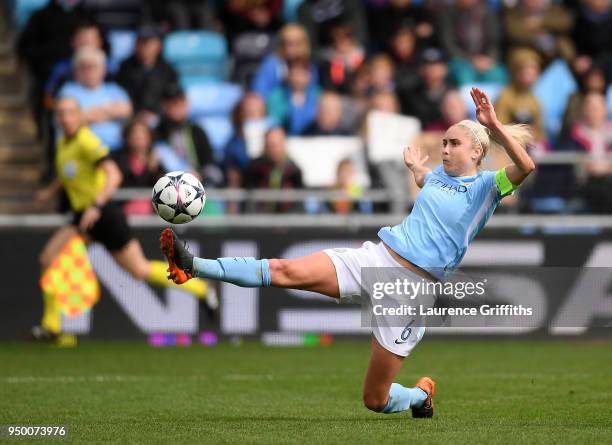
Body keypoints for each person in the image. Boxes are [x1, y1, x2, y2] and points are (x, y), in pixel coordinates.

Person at [158, 87, 536, 417]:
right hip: (376, 258)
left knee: (375, 400)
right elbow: (428, 183)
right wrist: (416, 170)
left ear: (477, 151)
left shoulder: (489, 186)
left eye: (454, 144)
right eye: (445, 143)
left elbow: (527, 165)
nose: (446, 149)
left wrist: (494, 124)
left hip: (409, 291)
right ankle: (194, 266)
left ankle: (420, 396)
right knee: (284, 270)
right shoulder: (437, 175)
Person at [32, 97, 215, 343]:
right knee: (50, 258)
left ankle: (200, 288)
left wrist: (96, 206)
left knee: (139, 270)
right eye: (61, 113)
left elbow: (114, 174)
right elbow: (69, 173)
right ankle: (53, 327)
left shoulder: (86, 140)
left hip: (103, 214)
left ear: (79, 115)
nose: (65, 118)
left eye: (70, 113)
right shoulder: (64, 143)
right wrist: (50, 191)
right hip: (83, 216)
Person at [58, 47, 132, 151]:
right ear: (75, 70)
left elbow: (126, 111)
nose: (88, 71)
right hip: (82, 150)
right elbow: (70, 120)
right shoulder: (68, 90)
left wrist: (87, 115)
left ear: (103, 69)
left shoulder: (114, 90)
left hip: (116, 149)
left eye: (93, 66)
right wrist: (110, 112)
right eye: (83, 67)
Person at [154, 84, 222, 185]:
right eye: (171, 104)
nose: (175, 108)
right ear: (163, 106)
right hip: (167, 186)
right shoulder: (156, 133)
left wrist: (199, 177)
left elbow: (208, 162)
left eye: (179, 103)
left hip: (197, 184)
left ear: (187, 105)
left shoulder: (197, 131)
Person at [115, 25, 178, 124]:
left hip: (162, 120)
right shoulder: (125, 68)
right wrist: (138, 113)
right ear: (136, 45)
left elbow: (172, 95)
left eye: (149, 43)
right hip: (133, 119)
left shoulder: (168, 69)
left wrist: (158, 114)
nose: (145, 47)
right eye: (142, 42)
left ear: (158, 45)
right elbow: (121, 95)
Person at [242, 127, 304, 213]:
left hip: (288, 220)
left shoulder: (294, 170)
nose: (274, 149)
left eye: (277, 145)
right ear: (265, 146)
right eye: (271, 145)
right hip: (260, 219)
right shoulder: (254, 169)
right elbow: (249, 200)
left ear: (283, 145)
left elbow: (299, 203)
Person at [113, 118, 164, 215]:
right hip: (124, 210)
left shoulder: (157, 159)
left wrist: (155, 170)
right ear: (127, 136)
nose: (138, 136)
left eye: (143, 133)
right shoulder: (118, 159)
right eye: (134, 133)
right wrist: (148, 170)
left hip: (152, 213)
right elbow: (126, 186)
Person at [266, 60, 321, 135]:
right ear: (288, 76)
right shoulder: (276, 96)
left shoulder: (319, 94)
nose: (298, 79)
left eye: (302, 74)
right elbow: (274, 121)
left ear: (310, 76)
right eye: (295, 74)